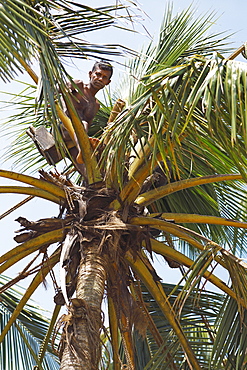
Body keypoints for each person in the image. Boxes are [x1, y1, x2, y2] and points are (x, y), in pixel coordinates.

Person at [60, 61, 113, 172]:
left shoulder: (95, 105)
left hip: (73, 142)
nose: (99, 79)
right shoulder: (78, 85)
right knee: (83, 123)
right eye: (97, 74)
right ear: (90, 74)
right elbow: (58, 90)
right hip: (62, 128)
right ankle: (83, 151)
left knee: (89, 173)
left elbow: (86, 127)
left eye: (104, 77)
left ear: (108, 82)